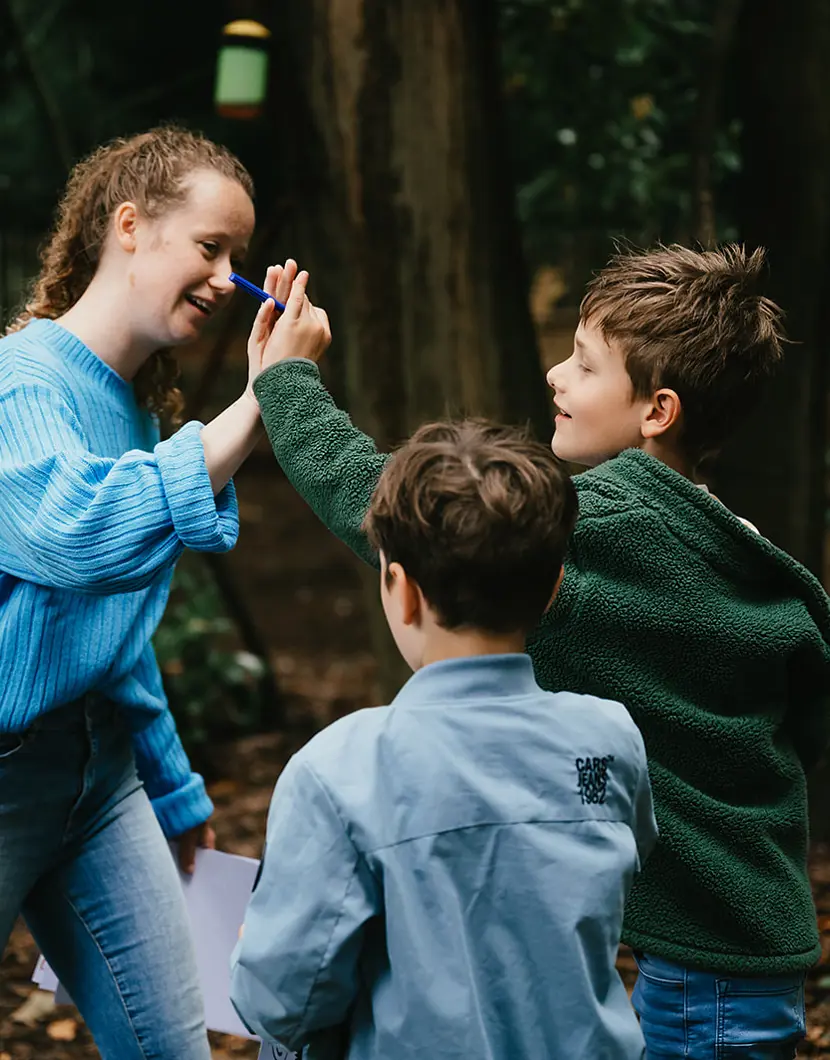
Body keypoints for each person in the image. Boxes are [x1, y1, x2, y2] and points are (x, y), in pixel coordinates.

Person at [248, 244, 830, 1058]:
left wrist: (287, 383)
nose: (555, 374)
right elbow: (801, 725)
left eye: (584, 366)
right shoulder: (729, 543)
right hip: (748, 942)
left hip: (706, 976)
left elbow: (391, 511)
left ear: (657, 411)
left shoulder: (610, 525)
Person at [0, 126, 326, 1060]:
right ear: (129, 227)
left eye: (239, 256)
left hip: (102, 785)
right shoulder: (22, 384)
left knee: (171, 1047)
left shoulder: (140, 405)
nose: (230, 277)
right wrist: (269, 395)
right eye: (211, 246)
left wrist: (174, 789)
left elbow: (112, 635)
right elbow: (76, 538)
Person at [230, 419, 656, 1059]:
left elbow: (282, 1003)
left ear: (401, 591)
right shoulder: (609, 737)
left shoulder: (341, 770)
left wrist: (249, 946)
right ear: (552, 590)